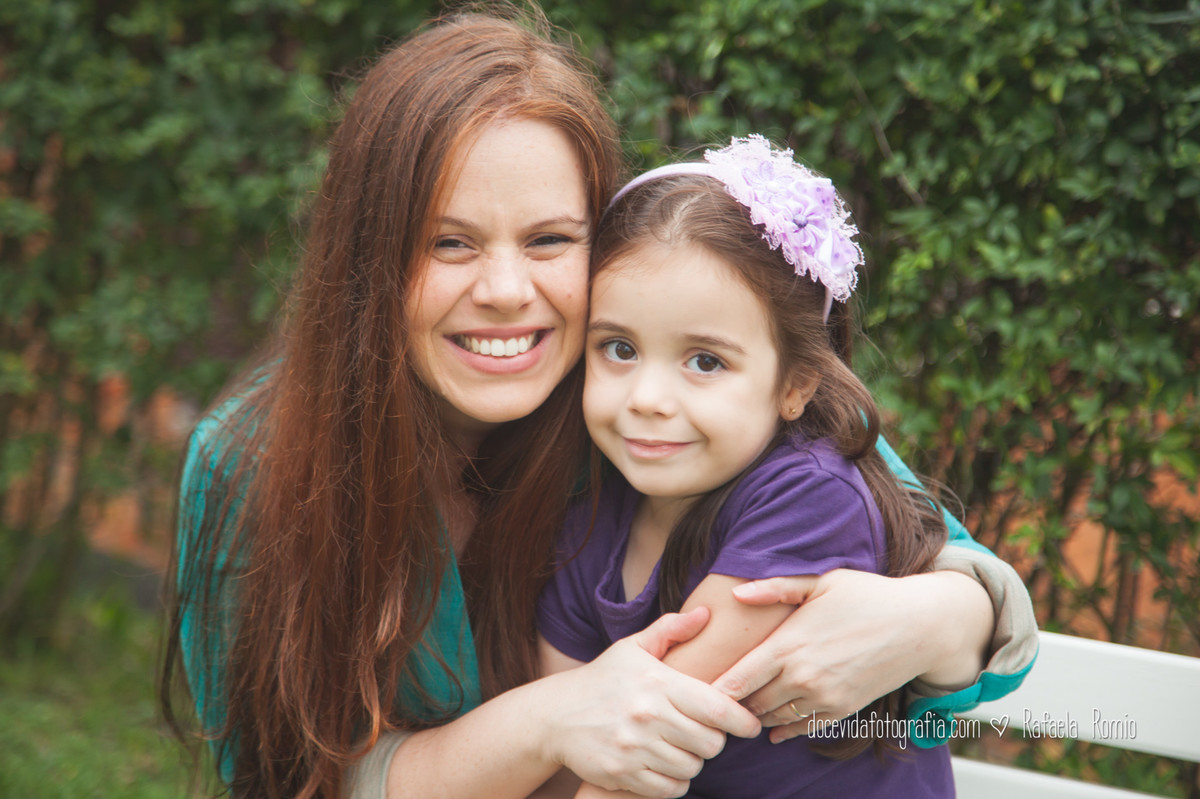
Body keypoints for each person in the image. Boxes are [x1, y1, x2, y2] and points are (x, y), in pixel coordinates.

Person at [160, 7, 1037, 799]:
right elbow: (285, 775)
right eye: (448, 242)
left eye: (549, 240)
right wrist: (551, 717)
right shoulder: (254, 464)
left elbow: (972, 600)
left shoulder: (657, 411)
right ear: (369, 257)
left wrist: (927, 617)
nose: (507, 290)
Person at [537, 136, 960, 798]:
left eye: (705, 361)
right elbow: (559, 755)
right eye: (618, 347)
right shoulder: (587, 520)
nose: (647, 399)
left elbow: (648, 741)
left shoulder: (812, 495)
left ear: (795, 384)